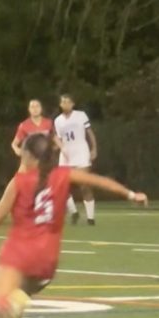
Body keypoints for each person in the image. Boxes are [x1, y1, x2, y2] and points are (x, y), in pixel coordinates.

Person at [0, 132, 147, 318]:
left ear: (28, 155)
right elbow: (100, 181)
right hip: (47, 261)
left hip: (20, 253)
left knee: (0, 303)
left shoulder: (19, 181)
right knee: (18, 299)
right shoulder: (63, 175)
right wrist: (132, 195)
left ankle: (5, 307)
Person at [54, 93, 96, 224]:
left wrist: (94, 148)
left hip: (81, 153)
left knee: (84, 185)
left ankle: (90, 218)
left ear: (73, 104)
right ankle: (74, 212)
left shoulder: (81, 115)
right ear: (60, 105)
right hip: (66, 155)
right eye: (63, 102)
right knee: (62, 187)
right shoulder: (58, 120)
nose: (66, 104)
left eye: (68, 102)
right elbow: (59, 139)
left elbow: (90, 133)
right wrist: (54, 150)